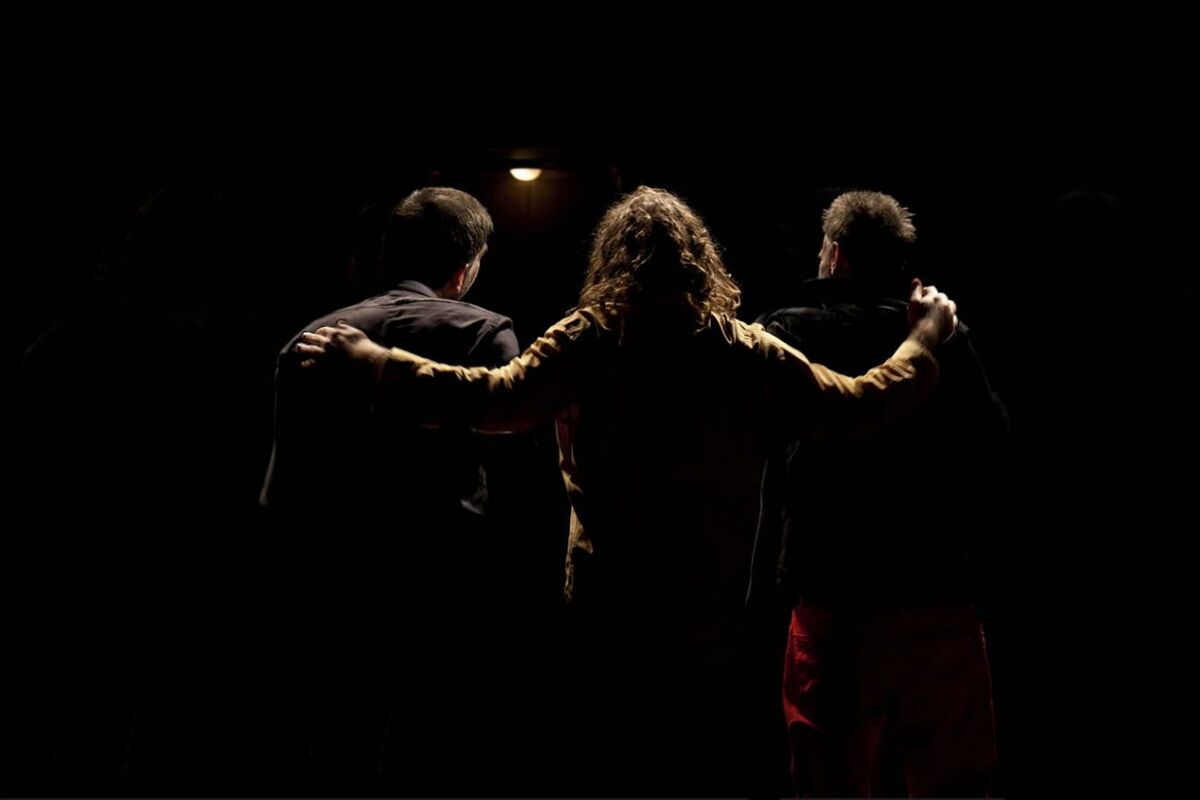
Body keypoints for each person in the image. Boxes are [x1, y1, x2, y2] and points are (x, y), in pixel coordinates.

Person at [294, 186, 960, 795]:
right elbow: (857, 404)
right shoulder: (744, 352)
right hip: (709, 621)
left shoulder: (590, 340)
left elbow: (489, 399)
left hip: (606, 619)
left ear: (614, 261)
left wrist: (376, 362)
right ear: (698, 262)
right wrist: (924, 340)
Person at [260, 186, 521, 792]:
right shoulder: (485, 334)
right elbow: (516, 485)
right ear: (465, 268)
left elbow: (282, 487)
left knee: (336, 752)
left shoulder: (308, 338)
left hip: (331, 585)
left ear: (387, 253)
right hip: (447, 584)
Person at [751, 190, 1007, 797]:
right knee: (952, 784)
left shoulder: (786, 333)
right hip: (935, 594)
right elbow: (993, 441)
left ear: (835, 253)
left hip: (831, 594)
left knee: (830, 780)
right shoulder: (944, 333)